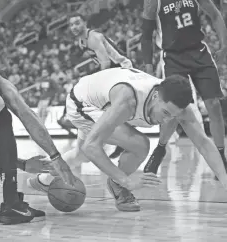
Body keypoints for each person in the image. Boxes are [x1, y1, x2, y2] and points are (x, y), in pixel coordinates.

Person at [27, 67, 227, 212]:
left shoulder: (180, 108)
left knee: (80, 155)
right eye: (165, 112)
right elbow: (92, 146)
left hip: (100, 95)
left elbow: (203, 143)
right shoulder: (127, 101)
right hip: (82, 103)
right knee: (140, 145)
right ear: (156, 96)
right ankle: (118, 185)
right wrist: (127, 180)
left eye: (173, 116)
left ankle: (42, 180)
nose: (167, 120)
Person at [0, 60, 76, 225]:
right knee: (1, 119)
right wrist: (56, 157)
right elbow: (25, 113)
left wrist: (23, 165)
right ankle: (12, 204)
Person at [140, 0, 227, 178]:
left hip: (199, 53)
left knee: (214, 105)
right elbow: (146, 34)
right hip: (173, 57)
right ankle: (160, 149)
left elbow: (216, 15)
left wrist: (225, 45)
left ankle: (220, 157)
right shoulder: (153, 2)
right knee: (175, 107)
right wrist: (148, 65)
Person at [69, 12, 132, 158]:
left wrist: (98, 82)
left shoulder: (93, 37)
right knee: (107, 109)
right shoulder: (81, 41)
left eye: (77, 23)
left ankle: (118, 141)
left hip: (122, 67)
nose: (74, 27)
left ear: (85, 22)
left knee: (110, 107)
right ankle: (118, 142)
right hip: (111, 69)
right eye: (71, 24)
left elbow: (106, 62)